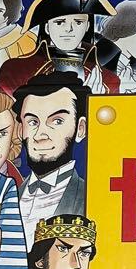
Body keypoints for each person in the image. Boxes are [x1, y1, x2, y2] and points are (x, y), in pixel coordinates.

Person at [0, 0, 120, 95]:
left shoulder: (108, 80)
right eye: (60, 22)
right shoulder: (15, 70)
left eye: (78, 22)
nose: (69, 29)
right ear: (47, 27)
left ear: (87, 26)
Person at [12, 72, 89, 242]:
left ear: (80, 128)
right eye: (33, 122)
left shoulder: (89, 197)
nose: (41, 135)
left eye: (57, 121)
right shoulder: (7, 198)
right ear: (20, 130)